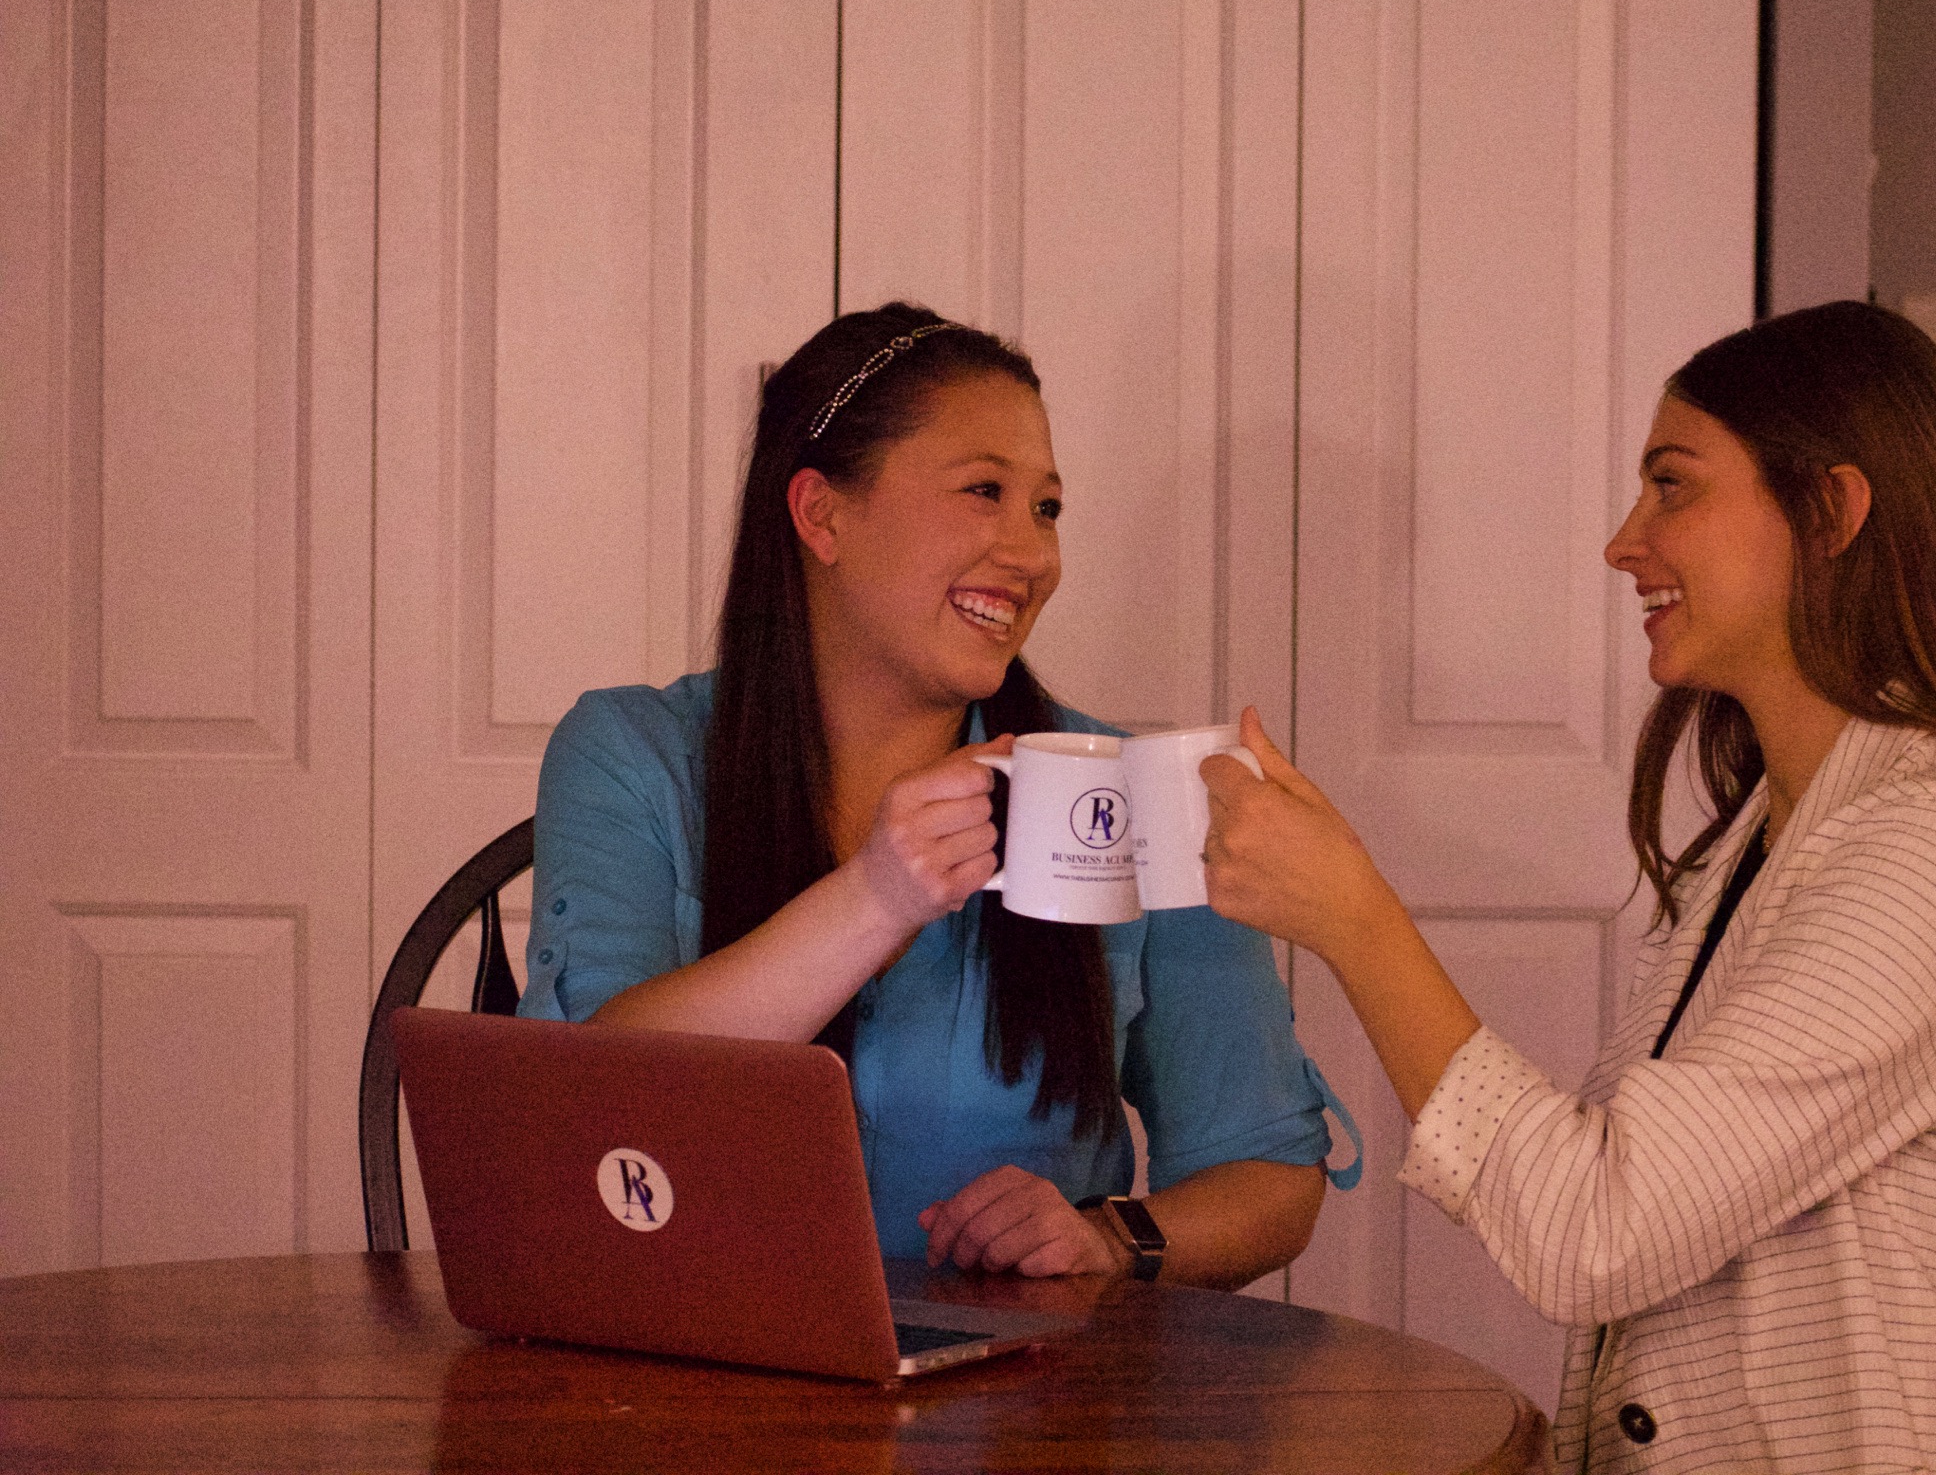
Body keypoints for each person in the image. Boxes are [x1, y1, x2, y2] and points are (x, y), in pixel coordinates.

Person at [1198, 302, 1936, 1471]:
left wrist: (1354, 921)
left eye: (1673, 487)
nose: (1624, 542)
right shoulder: (1775, 835)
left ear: (1830, 512)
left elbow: (1597, 1233)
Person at [519, 302, 1355, 1289]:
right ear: (822, 515)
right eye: (984, 491)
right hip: (689, 1359)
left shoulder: (1129, 794)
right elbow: (582, 1114)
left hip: (1020, 1381)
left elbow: (1266, 1173)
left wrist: (1107, 1239)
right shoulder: (632, 754)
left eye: (1047, 509)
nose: (1034, 556)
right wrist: (876, 898)